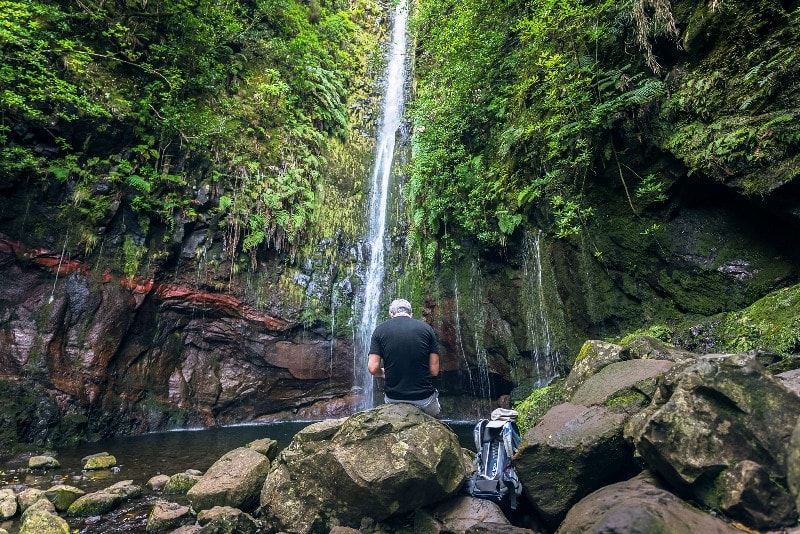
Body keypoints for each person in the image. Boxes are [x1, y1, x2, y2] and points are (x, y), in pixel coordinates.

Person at [368, 298, 441, 416]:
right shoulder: (427, 329)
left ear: (391, 314)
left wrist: (383, 373)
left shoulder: (379, 330)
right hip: (424, 400)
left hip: (394, 399)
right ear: (411, 314)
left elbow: (372, 368)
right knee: (434, 412)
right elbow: (434, 371)